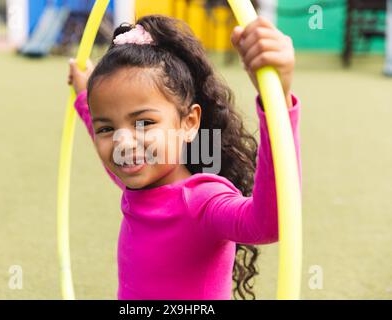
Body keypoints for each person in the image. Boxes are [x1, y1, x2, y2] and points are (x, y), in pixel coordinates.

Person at [67, 15, 301, 300]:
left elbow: (270, 223)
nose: (122, 143)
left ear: (189, 123)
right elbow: (97, 129)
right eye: (109, 128)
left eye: (144, 123)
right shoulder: (137, 180)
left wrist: (278, 102)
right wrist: (83, 95)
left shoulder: (203, 200)